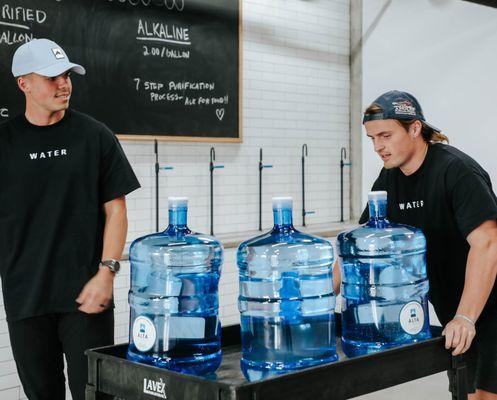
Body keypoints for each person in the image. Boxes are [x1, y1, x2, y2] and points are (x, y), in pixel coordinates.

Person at [0, 38, 141, 400]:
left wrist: (106, 272)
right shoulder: (5, 142)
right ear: (24, 83)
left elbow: (116, 210)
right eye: (52, 77)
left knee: (94, 394)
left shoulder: (95, 136)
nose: (64, 84)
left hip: (86, 297)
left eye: (67, 75)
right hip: (25, 298)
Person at [358, 90, 497, 399]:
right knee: (465, 393)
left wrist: (465, 316)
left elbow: (488, 243)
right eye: (372, 139)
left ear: (415, 128)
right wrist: (324, 289)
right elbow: (362, 243)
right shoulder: (388, 180)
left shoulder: (455, 170)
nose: (379, 147)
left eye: (385, 135)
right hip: (455, 311)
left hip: (488, 307)